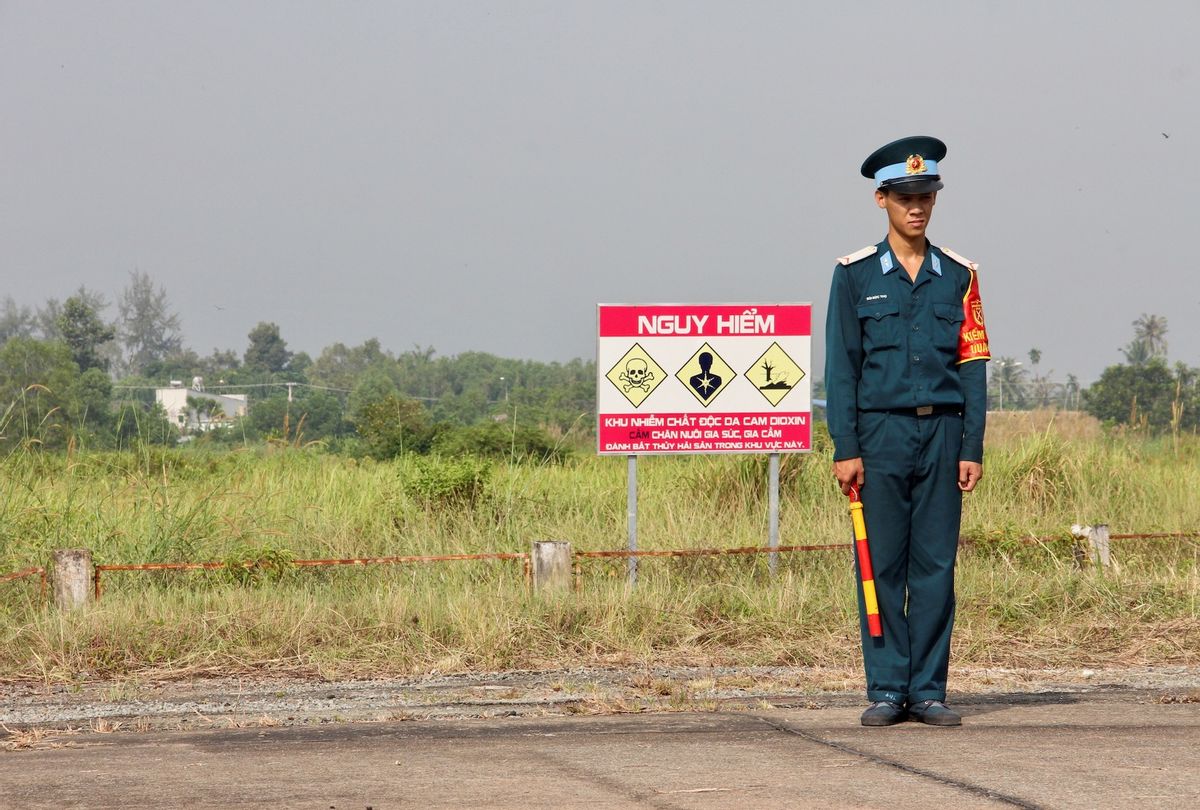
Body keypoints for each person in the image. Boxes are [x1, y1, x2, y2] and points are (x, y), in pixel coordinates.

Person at [824, 135, 990, 727]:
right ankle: (888, 688)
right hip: (880, 437)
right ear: (882, 200)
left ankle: (928, 690)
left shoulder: (960, 277)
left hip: (944, 436)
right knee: (881, 566)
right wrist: (846, 447)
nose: (917, 206)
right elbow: (841, 370)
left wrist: (972, 446)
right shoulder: (854, 276)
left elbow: (973, 367)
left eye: (926, 195)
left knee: (936, 567)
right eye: (904, 196)